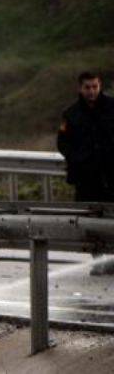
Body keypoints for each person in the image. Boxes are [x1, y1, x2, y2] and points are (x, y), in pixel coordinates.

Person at [57, 72, 114, 276]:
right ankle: (99, 260)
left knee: (111, 218)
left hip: (111, 175)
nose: (91, 92)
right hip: (86, 177)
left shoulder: (111, 108)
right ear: (80, 89)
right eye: (87, 87)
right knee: (91, 221)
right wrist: (79, 159)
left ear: (100, 87)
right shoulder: (71, 114)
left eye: (95, 87)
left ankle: (111, 259)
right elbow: (63, 143)